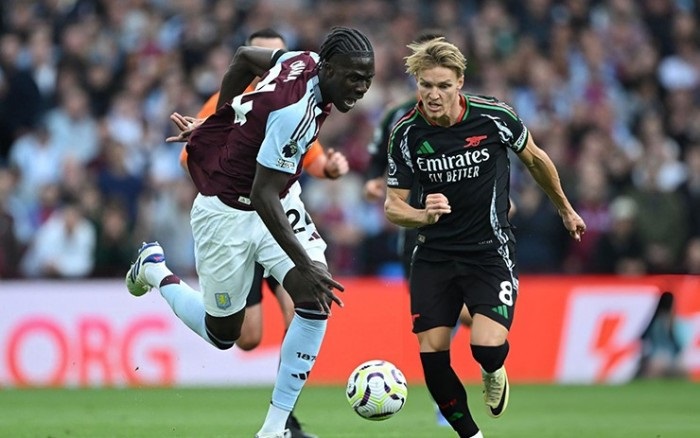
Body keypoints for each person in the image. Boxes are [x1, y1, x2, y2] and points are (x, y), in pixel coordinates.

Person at [125, 26, 374, 438]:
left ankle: (273, 430)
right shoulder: (294, 112)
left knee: (315, 300)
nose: (362, 88)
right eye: (354, 78)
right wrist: (303, 264)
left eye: (367, 78)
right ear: (329, 69)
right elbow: (262, 194)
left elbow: (243, 57)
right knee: (225, 334)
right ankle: (154, 270)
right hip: (229, 210)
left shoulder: (304, 60)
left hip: (278, 197)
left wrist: (217, 123)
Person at [384, 38, 585, 438]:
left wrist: (565, 208)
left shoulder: (494, 117)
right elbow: (393, 206)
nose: (434, 94)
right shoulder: (406, 133)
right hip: (434, 255)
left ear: (460, 82)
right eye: (426, 85)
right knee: (432, 355)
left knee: (486, 348)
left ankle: (493, 370)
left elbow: (536, 160)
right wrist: (423, 215)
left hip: (489, 252)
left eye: (443, 85)